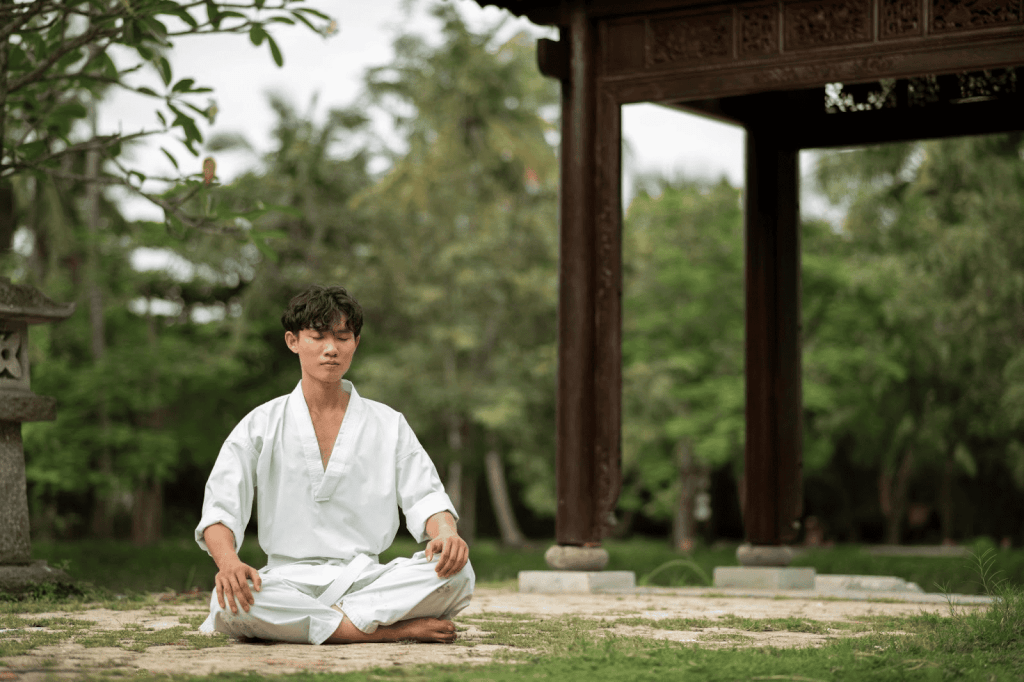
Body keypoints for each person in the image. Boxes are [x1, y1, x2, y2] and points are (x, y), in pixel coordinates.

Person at [194, 285, 473, 645]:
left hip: (368, 579)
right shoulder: (260, 424)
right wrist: (229, 564)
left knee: (458, 573)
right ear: (293, 341)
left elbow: (427, 498)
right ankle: (380, 631)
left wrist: (446, 534)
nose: (331, 349)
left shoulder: (388, 423)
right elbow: (221, 509)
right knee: (227, 600)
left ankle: (318, 625)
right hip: (285, 580)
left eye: (343, 337)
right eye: (318, 336)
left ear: (356, 342)